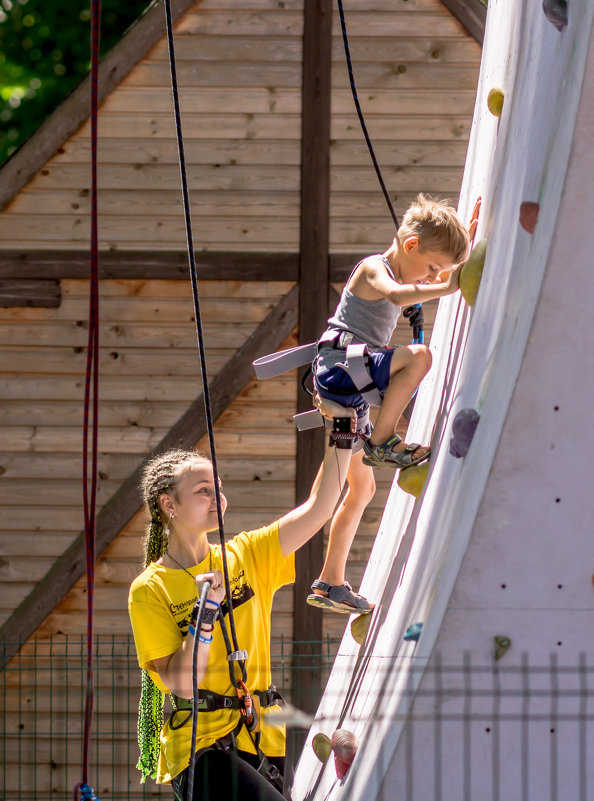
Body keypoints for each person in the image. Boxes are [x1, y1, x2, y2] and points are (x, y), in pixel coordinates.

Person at [128, 440, 351, 801]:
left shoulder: (247, 553)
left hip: (264, 740)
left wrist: (341, 432)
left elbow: (319, 508)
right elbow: (184, 685)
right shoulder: (150, 589)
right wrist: (204, 616)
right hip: (203, 749)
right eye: (203, 491)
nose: (218, 497)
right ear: (169, 504)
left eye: (219, 488)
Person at [306, 194, 480, 615]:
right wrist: (449, 284)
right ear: (411, 246)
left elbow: (416, 283)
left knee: (361, 491)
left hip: (355, 381)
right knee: (419, 357)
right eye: (432, 266)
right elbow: (400, 294)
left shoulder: (410, 266)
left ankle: (330, 580)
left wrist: (462, 250)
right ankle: (383, 441)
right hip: (338, 367)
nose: (434, 276)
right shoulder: (373, 269)